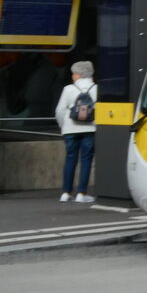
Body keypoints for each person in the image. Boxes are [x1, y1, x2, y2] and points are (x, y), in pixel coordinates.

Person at [54, 60, 98, 203]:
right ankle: (82, 193)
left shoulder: (68, 89)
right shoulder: (96, 88)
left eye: (74, 73)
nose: (72, 76)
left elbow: (59, 110)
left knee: (70, 159)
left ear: (79, 74)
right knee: (86, 160)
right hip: (90, 128)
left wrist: (63, 126)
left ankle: (66, 193)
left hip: (70, 129)